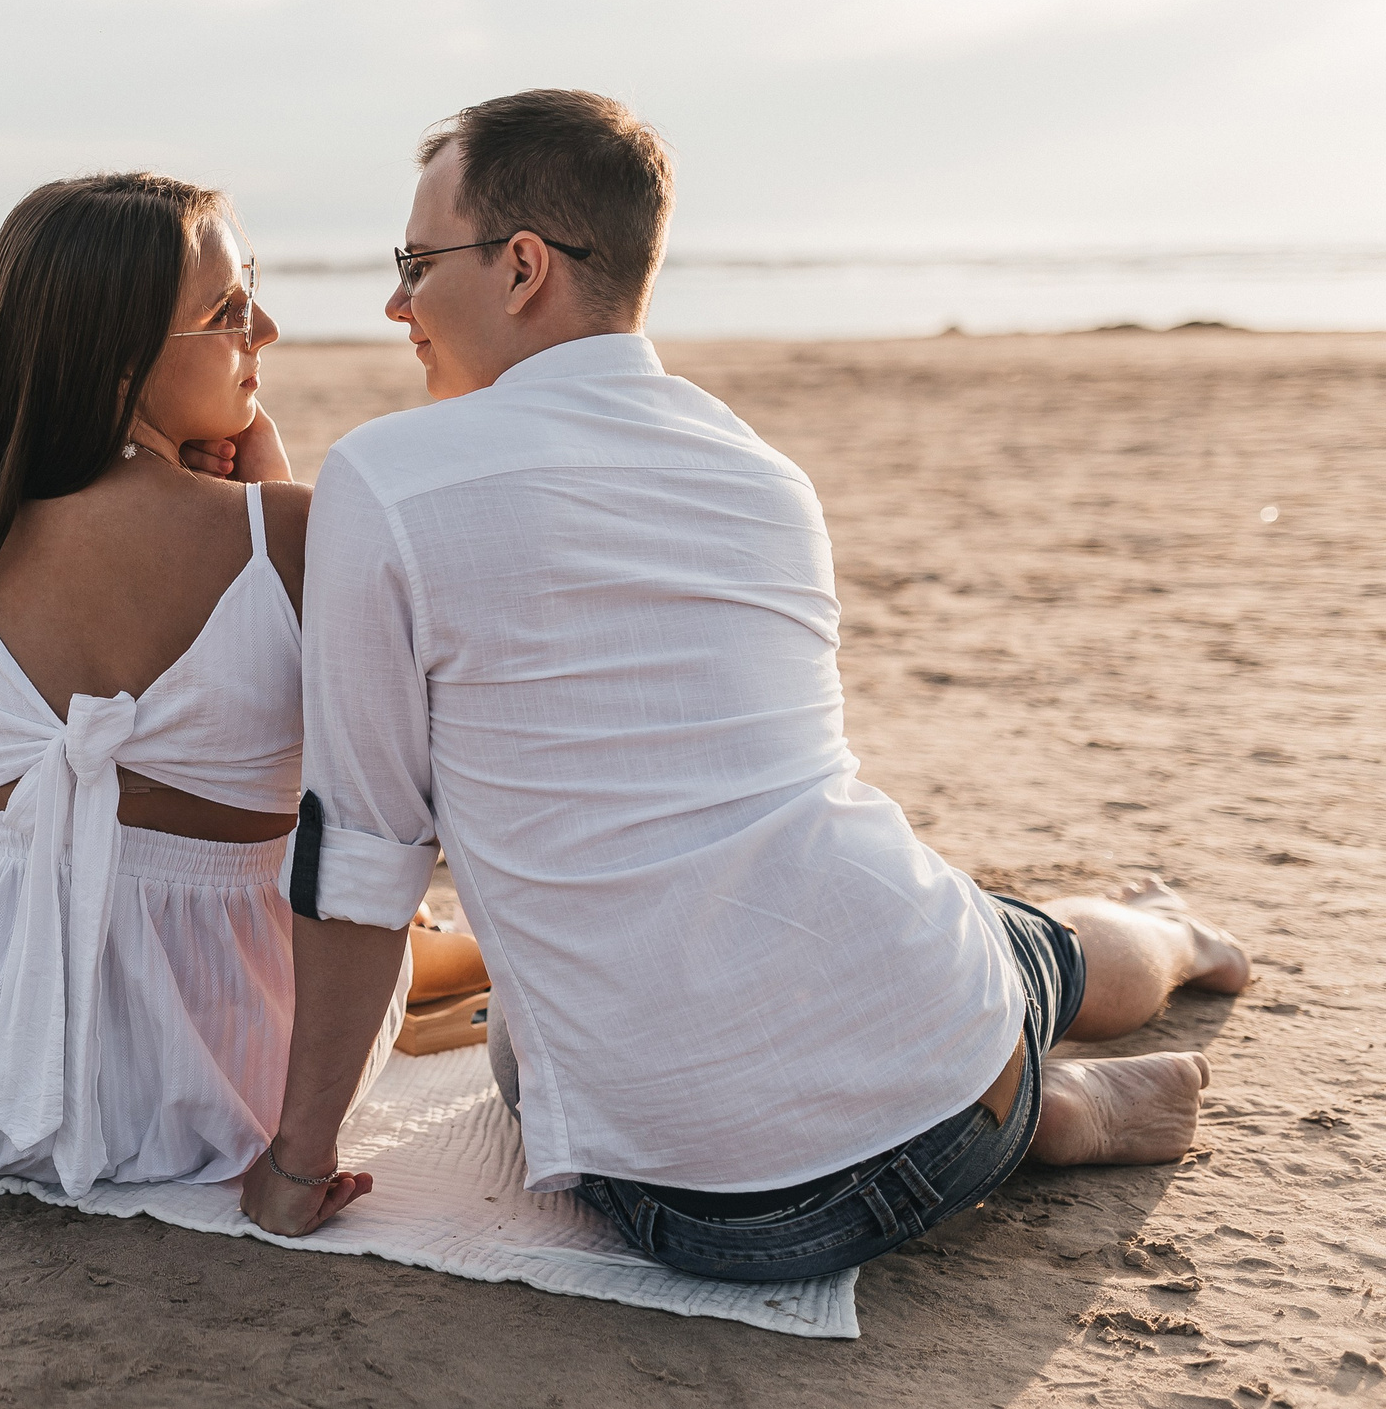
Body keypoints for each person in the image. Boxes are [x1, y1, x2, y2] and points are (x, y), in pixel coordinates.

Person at [238, 89, 1251, 1275]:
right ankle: (1155, 966)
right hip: (951, 1074)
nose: (396, 299)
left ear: (522, 267)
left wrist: (298, 1164)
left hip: (724, 1217)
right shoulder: (762, 473)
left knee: (530, 1046)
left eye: (416, 259)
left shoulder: (386, 477)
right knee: (1014, 940)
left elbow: (362, 846)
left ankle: (1066, 1104)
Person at [0, 171, 470, 1197]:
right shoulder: (286, 534)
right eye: (228, 310)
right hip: (216, 1076)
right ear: (117, 359)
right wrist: (272, 496)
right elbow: (383, 802)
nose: (266, 329)